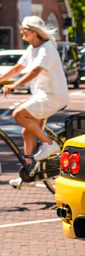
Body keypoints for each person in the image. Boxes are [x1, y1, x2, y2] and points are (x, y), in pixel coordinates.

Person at [0, 16, 69, 187]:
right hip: (42, 95)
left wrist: (14, 85)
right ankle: (29, 175)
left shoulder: (47, 48)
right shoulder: (32, 49)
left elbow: (36, 70)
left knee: (18, 114)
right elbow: (17, 68)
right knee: (27, 133)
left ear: (33, 31)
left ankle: (49, 144)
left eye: (23, 28)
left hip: (53, 95)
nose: (21, 31)